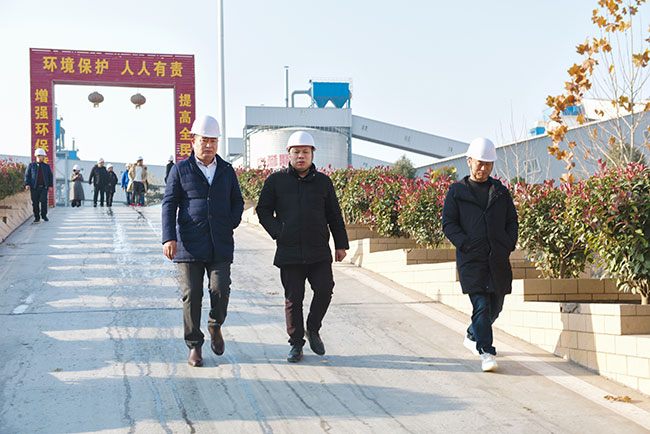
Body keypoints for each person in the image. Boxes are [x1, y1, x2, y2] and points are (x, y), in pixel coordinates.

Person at [256, 130, 349, 363]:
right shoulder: (276, 181)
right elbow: (263, 210)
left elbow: (334, 215)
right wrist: (278, 231)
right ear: (288, 153)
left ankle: (313, 327)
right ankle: (296, 344)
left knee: (325, 289)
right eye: (296, 152)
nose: (301, 156)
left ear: (312, 154)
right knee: (293, 299)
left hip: (318, 250)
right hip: (289, 251)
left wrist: (341, 244)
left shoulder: (323, 183)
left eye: (305, 152)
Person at [162, 114, 244, 367]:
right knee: (192, 294)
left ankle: (215, 325)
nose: (209, 145)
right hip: (189, 243)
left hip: (220, 242)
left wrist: (230, 222)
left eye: (213, 141)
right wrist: (169, 238)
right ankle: (194, 346)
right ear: (193, 141)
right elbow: (169, 204)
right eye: (204, 140)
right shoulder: (180, 170)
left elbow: (237, 201)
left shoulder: (226, 170)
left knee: (220, 289)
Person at [441, 137, 519, 372]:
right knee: (481, 305)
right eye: (479, 163)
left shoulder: (500, 192)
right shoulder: (457, 192)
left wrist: (508, 244)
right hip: (472, 260)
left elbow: (512, 221)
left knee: (496, 307)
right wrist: (465, 244)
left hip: (497, 259)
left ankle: (472, 335)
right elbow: (449, 223)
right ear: (469, 161)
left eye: (488, 164)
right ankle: (486, 352)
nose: (483, 168)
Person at [24, 148, 53, 223]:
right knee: (35, 203)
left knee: (44, 201)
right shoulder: (31, 165)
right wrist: (27, 184)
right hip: (34, 188)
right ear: (38, 156)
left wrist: (50, 185)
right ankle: (37, 217)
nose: (44, 157)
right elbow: (27, 175)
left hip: (43, 187)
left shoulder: (46, 166)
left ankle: (44, 215)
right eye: (43, 156)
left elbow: (50, 176)